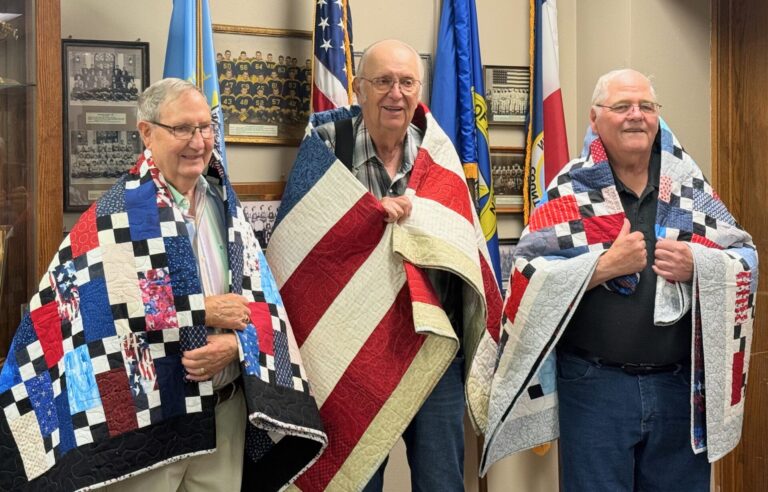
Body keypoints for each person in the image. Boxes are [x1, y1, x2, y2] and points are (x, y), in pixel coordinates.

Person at [0, 78, 326, 491]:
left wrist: (237, 346)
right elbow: (92, 312)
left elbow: (261, 303)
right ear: (146, 133)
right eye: (182, 129)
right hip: (148, 423)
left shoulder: (225, 209)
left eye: (206, 127)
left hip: (224, 418)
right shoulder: (116, 215)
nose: (198, 141)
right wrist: (200, 311)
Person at [481, 69, 758, 491]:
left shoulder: (689, 187)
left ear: (657, 117)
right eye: (622, 107)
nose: (636, 116)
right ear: (595, 120)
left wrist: (699, 264)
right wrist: (602, 267)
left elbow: (745, 257)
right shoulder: (570, 191)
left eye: (646, 107)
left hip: (679, 388)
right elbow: (527, 275)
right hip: (595, 388)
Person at [265, 39, 502, 491]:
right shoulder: (325, 149)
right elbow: (300, 245)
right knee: (355, 480)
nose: (396, 93)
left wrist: (422, 223)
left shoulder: (441, 158)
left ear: (420, 89)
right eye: (383, 81)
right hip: (351, 348)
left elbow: (462, 245)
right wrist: (365, 217)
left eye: (407, 82)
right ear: (358, 88)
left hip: (432, 346)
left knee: (441, 482)